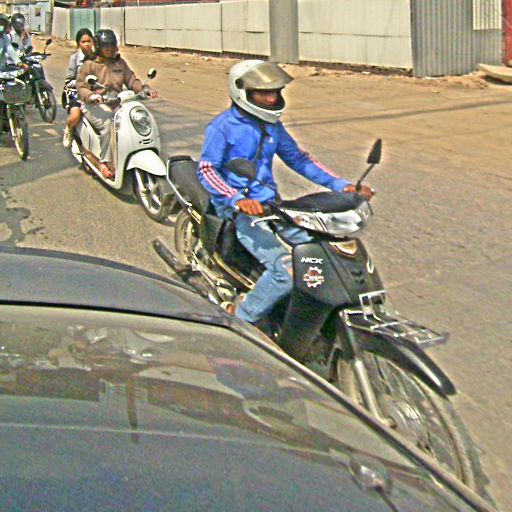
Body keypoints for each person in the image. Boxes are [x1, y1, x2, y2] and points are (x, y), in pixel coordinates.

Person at [197, 59, 374, 325]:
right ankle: (240, 318)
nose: (271, 99)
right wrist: (237, 199)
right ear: (242, 92)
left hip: (272, 206)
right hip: (241, 212)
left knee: (323, 250)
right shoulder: (222, 128)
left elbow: (299, 159)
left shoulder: (272, 127)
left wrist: (341, 185)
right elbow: (207, 169)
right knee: (287, 270)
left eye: (274, 92)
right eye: (263, 93)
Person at [76, 29, 157, 179]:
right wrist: (92, 96)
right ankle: (105, 161)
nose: (111, 51)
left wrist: (144, 89)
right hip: (94, 104)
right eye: (107, 48)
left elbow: (131, 80)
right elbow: (81, 87)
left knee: (135, 119)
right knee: (108, 124)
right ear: (99, 48)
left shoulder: (120, 63)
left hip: (117, 102)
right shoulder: (89, 64)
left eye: (113, 47)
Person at [62, 28, 94, 148]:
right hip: (77, 93)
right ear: (78, 43)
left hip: (96, 93)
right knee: (75, 115)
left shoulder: (98, 57)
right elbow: (68, 81)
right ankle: (68, 130)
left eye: (89, 41)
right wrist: (82, 83)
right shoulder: (74, 58)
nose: (87, 44)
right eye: (83, 42)